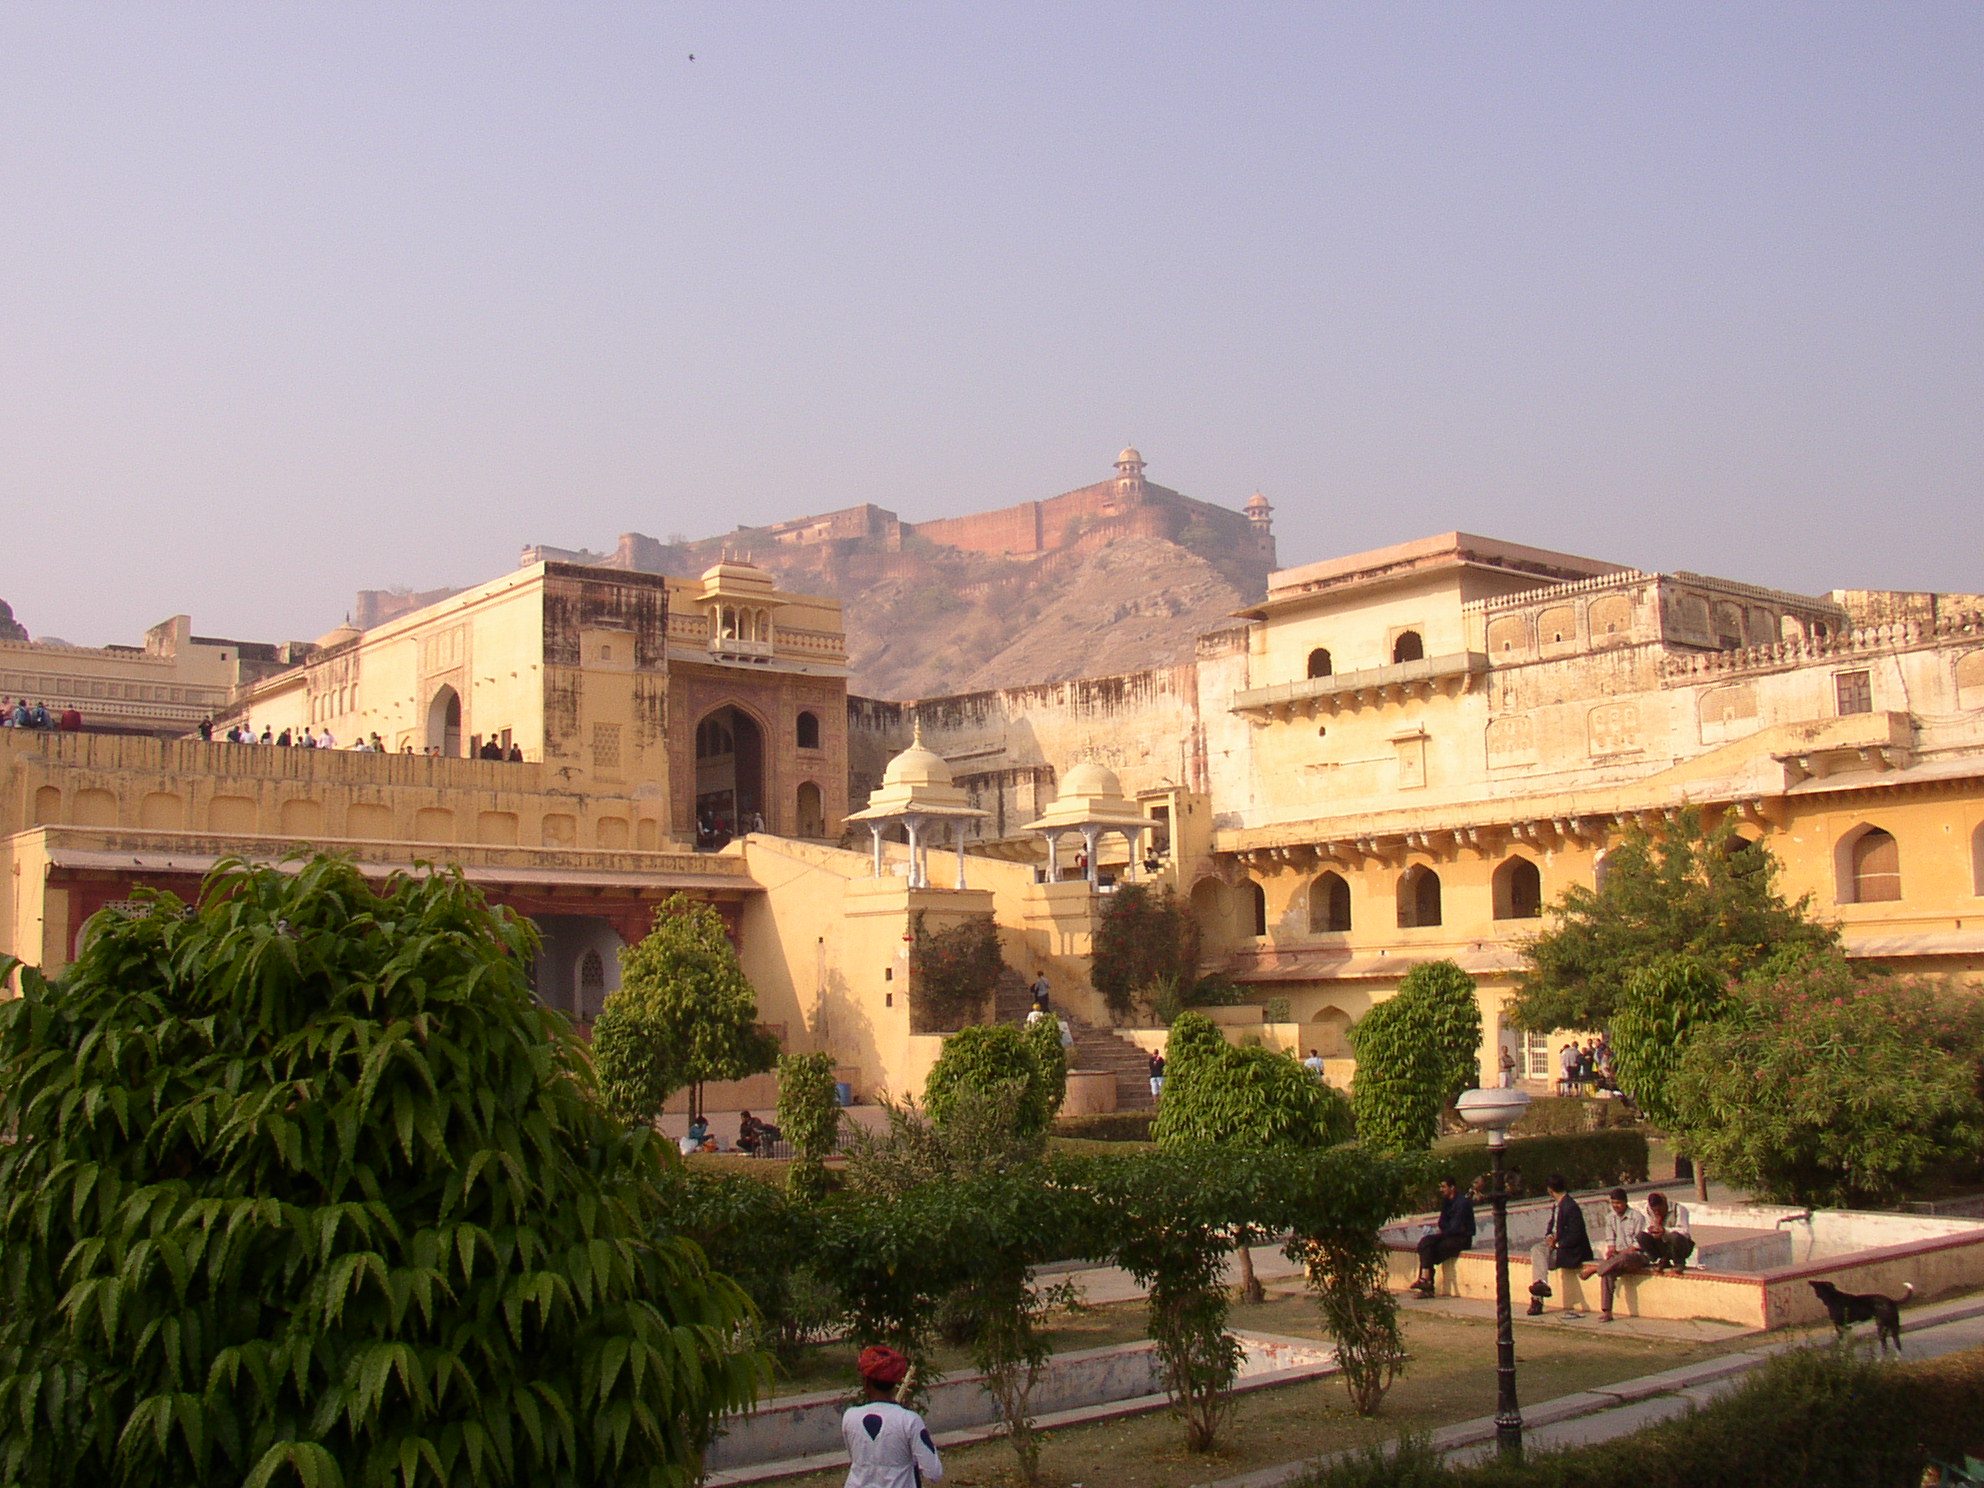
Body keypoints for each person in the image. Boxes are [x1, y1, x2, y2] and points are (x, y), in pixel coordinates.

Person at [841, 1345, 942, 1488]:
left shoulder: (849, 1417)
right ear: (895, 1383)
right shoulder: (909, 1421)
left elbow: (856, 1458)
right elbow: (934, 1473)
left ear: (865, 1383)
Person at [1528, 1174, 1594, 1317]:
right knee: (1537, 1250)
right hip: (1557, 1247)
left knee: (1539, 1257)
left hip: (1570, 1252)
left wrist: (1557, 1244)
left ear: (1550, 1190)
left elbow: (1576, 1234)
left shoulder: (1571, 1207)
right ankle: (1540, 1286)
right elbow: (1551, 1227)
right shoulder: (1557, 1206)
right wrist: (1549, 1237)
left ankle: (1537, 1298)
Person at [1579, 1188, 1648, 1322]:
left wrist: (1619, 1253)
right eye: (1613, 1203)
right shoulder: (1610, 1218)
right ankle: (1607, 1311)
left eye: (1618, 1203)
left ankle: (1595, 1269)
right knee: (1607, 1273)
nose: (1616, 1206)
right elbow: (1610, 1240)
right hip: (1618, 1258)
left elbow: (1637, 1244)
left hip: (1636, 1256)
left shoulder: (1637, 1217)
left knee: (1623, 1257)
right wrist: (1611, 1251)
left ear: (1625, 1202)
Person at [1411, 1176, 1476, 1298]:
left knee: (1431, 1251)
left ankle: (1427, 1284)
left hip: (1461, 1239)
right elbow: (1442, 1223)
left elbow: (1457, 1228)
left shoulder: (1462, 1203)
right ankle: (1426, 1280)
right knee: (1425, 1243)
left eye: (1444, 1187)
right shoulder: (1446, 1202)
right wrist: (1444, 1229)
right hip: (1447, 1234)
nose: (1441, 1190)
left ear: (1452, 1188)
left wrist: (1446, 1229)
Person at [1637, 1191, 1694, 1272]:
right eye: (1654, 1211)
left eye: (1659, 1210)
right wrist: (1652, 1230)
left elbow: (1685, 1232)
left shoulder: (1679, 1209)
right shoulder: (1648, 1210)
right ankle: (1659, 1259)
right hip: (1661, 1245)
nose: (1657, 1213)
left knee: (1675, 1237)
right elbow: (1647, 1227)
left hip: (1681, 1246)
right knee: (1641, 1236)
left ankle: (1679, 1263)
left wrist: (1665, 1231)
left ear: (1664, 1204)